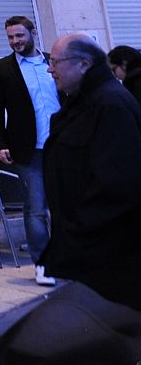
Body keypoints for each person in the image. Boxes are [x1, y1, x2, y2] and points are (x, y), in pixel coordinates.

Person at [40, 33, 141, 310]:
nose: (50, 69)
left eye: (56, 62)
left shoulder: (109, 104)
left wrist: (77, 231)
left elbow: (119, 183)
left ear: (84, 64)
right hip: (87, 248)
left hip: (103, 252)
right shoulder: (84, 101)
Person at [0, 16, 60, 286]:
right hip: (29, 150)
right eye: (10, 37)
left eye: (19, 35)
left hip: (62, 147)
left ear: (33, 32)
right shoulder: (1, 69)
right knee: (36, 208)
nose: (15, 41)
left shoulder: (53, 62)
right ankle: (43, 264)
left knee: (65, 207)